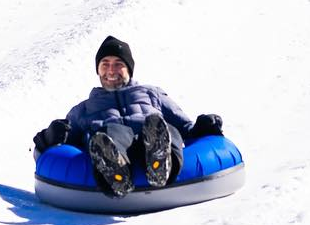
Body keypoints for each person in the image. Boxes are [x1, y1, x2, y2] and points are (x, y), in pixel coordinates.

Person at [30, 36, 223, 197]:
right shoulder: (83, 109)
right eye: (105, 64)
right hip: (117, 146)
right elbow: (53, 150)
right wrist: (50, 135)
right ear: (98, 70)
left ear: (129, 68)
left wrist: (205, 126)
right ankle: (115, 172)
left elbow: (186, 128)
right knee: (110, 132)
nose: (111, 71)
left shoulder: (152, 94)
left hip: (152, 142)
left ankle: (161, 164)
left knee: (159, 127)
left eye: (118, 64)